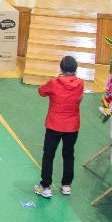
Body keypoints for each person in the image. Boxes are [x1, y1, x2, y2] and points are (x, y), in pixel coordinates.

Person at [35, 55, 84, 199]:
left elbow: (41, 91)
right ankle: (66, 185)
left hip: (54, 125)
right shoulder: (80, 84)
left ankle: (46, 186)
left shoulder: (54, 83)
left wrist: (57, 79)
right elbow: (79, 99)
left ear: (61, 68)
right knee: (69, 154)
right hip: (72, 126)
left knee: (49, 155)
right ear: (75, 69)